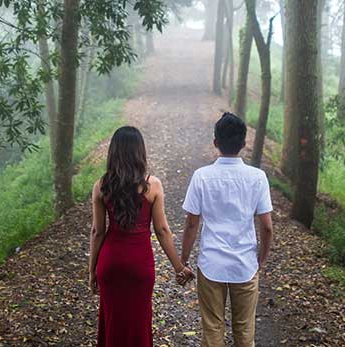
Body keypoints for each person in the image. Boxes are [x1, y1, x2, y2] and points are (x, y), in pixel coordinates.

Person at [89, 125, 193, 347]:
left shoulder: (101, 185)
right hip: (139, 263)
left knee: (112, 320)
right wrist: (179, 267)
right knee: (138, 322)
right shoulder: (152, 185)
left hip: (110, 264)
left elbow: (97, 231)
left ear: (113, 152)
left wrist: (92, 270)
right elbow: (162, 230)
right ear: (140, 151)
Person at [181, 112, 274, 347]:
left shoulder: (202, 177)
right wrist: (261, 259)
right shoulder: (257, 178)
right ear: (243, 144)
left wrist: (184, 260)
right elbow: (267, 227)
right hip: (245, 264)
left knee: (212, 329)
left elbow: (192, 224)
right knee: (244, 331)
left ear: (215, 142)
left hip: (211, 263)